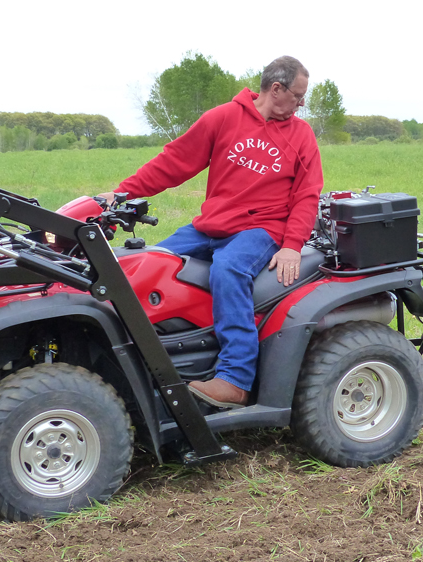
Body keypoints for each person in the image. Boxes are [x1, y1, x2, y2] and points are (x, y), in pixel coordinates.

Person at [99, 56, 324, 408]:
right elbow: (173, 163)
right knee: (150, 263)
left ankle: (235, 379)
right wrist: (122, 194)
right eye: (298, 96)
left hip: (261, 228)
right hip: (212, 225)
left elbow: (308, 195)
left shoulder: (301, 135)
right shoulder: (223, 118)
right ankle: (149, 351)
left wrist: (292, 245)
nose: (301, 104)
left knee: (229, 269)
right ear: (276, 89)